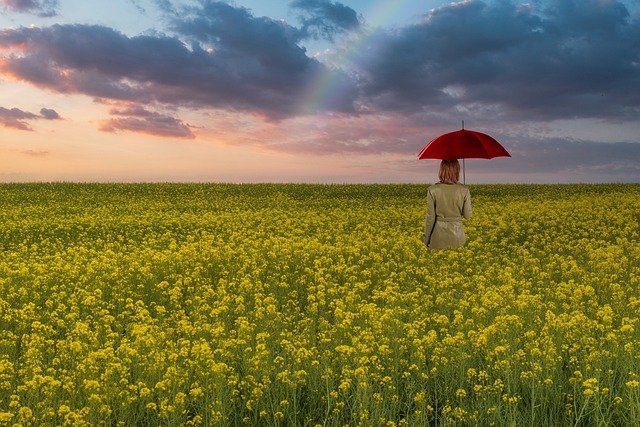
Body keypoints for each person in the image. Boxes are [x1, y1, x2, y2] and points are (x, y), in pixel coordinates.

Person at [423, 159, 472, 249]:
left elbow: (430, 218)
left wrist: (426, 239)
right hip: (458, 238)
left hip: (438, 237)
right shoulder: (464, 190)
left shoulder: (432, 190)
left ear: (441, 170)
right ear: (458, 170)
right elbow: (468, 215)